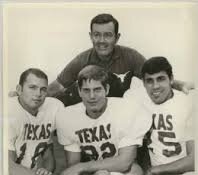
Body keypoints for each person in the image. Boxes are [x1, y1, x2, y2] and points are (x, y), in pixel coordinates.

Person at [56, 65, 152, 175]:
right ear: (79, 91)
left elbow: (124, 162)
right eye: (86, 90)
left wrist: (82, 167)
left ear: (107, 89)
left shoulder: (124, 109)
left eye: (97, 89)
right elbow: (72, 169)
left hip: (130, 174)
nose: (92, 96)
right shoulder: (68, 116)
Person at [46, 13, 191, 106]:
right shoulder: (82, 59)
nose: (101, 41)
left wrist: (180, 85)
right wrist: (31, 98)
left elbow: (153, 76)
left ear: (117, 37)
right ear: (90, 36)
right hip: (91, 115)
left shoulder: (130, 56)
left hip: (119, 115)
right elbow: (57, 86)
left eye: (108, 35)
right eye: (97, 35)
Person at [138, 57, 195, 175]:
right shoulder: (138, 103)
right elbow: (138, 146)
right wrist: (150, 169)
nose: (155, 86)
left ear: (171, 79)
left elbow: (194, 160)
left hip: (188, 172)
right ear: (143, 83)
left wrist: (154, 171)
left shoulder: (188, 104)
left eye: (160, 79)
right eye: (149, 80)